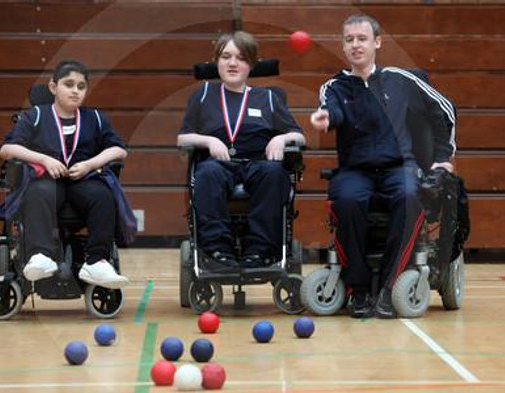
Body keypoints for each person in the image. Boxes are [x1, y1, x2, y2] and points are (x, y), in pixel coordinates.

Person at [310, 15, 456, 318]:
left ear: (376, 42)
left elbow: (443, 110)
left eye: (361, 38)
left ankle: (391, 287)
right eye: (349, 39)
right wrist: (326, 118)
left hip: (398, 167)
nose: (355, 45)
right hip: (355, 170)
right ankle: (358, 290)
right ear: (343, 45)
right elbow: (331, 110)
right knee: (347, 201)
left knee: (408, 197)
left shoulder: (402, 80)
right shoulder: (334, 86)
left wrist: (444, 157)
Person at [178, 31, 305, 271]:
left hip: (260, 163)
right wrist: (208, 141)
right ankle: (217, 251)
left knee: (275, 174)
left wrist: (282, 137)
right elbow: (183, 137)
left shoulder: (268, 97)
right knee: (207, 174)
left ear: (251, 64)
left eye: (241, 57)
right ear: (217, 61)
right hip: (217, 163)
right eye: (226, 56)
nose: (233, 63)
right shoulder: (203, 94)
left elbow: (299, 135)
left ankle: (260, 251)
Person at [0, 59, 130, 289]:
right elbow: (7, 149)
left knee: (103, 195)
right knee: (39, 191)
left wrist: (91, 164)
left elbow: (119, 149)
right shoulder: (35, 116)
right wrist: (43, 159)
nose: (75, 91)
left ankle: (97, 261)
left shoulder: (95, 118)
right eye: (68, 84)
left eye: (81, 86)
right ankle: (41, 256)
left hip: (82, 180)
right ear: (53, 87)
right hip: (48, 182)